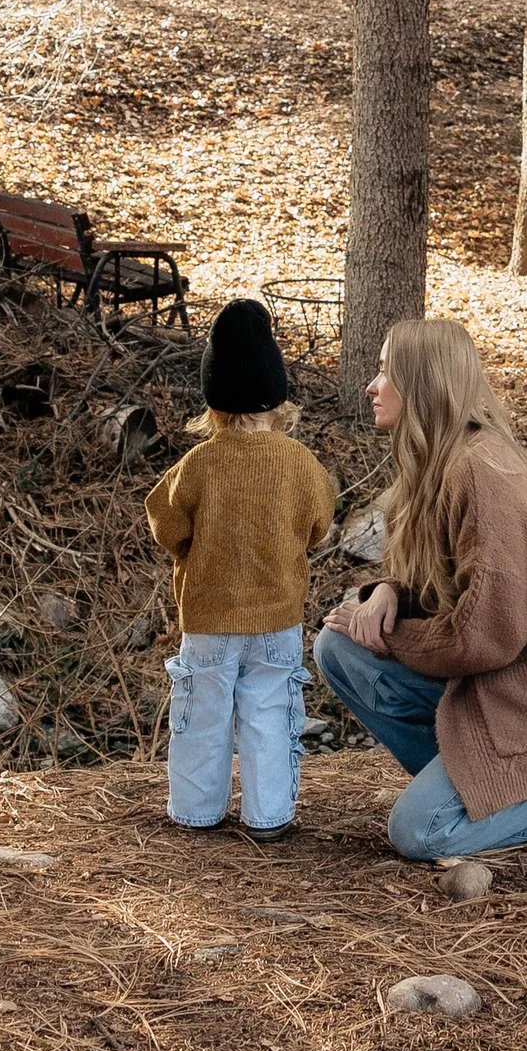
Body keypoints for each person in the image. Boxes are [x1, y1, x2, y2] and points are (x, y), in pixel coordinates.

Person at [313, 316, 527, 862]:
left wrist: (392, 637)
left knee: (419, 834)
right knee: (339, 648)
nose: (371, 386)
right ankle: (482, 786)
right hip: (504, 687)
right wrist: (388, 593)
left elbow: (481, 638)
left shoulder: (483, 472)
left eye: (384, 372)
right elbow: (444, 581)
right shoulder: (440, 462)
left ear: (423, 383)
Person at [144, 299, 337, 837]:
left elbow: (166, 525)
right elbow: (319, 523)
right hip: (278, 615)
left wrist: (197, 548)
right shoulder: (301, 463)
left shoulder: (197, 465)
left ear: (212, 399)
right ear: (278, 396)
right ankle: (269, 814)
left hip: (208, 616)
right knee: (270, 712)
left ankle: (197, 810)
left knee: (201, 714)